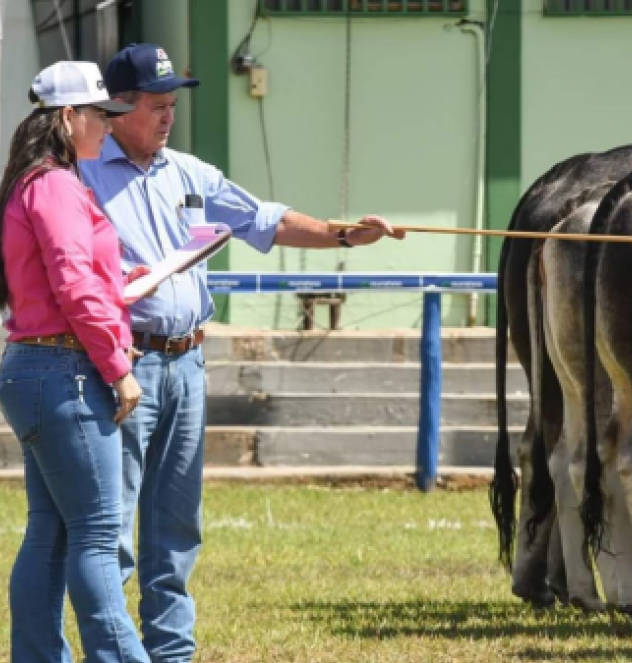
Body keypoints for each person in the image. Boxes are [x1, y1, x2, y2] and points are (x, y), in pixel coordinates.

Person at [78, 43, 403, 662]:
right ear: (117, 108)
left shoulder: (190, 174)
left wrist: (343, 234)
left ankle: (172, 654)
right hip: (124, 365)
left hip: (187, 363)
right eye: (156, 105)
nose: (169, 116)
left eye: (173, 104)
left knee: (176, 525)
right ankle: (114, 654)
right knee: (112, 527)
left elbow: (265, 220)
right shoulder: (81, 176)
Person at [0, 60, 153, 663]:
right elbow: (73, 284)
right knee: (98, 534)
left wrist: (122, 285)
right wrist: (117, 366)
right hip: (64, 374)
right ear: (68, 116)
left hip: (40, 370)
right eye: (100, 115)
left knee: (51, 533)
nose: (108, 126)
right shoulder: (55, 184)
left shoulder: (34, 181)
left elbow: (69, 279)